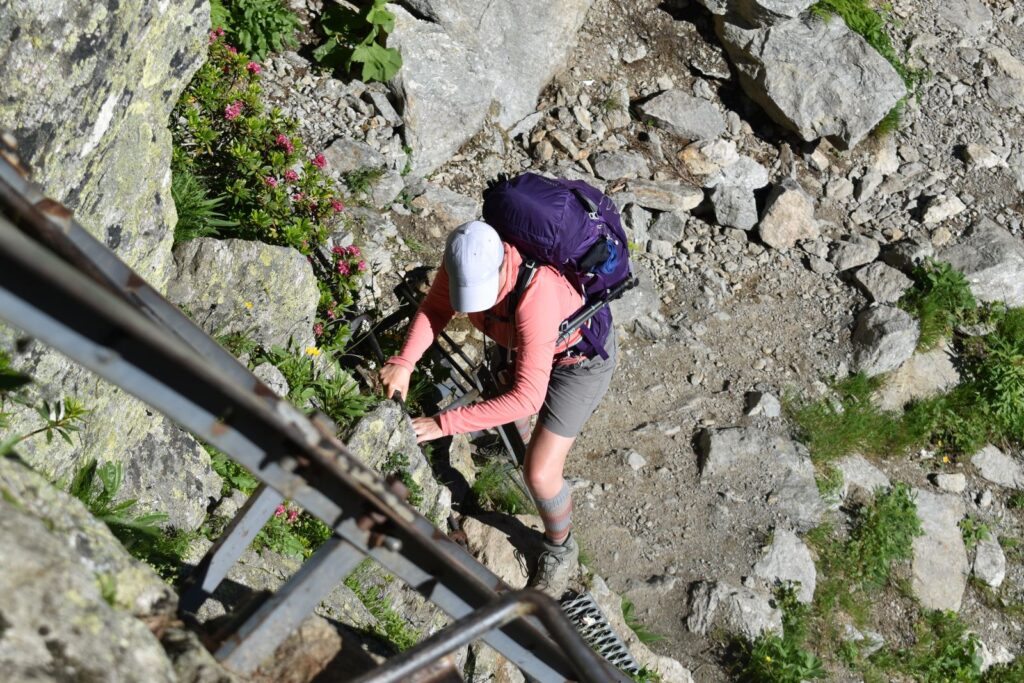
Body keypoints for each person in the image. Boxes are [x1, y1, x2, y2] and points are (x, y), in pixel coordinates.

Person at [380, 220, 618, 598]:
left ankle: (561, 548)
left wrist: (446, 423)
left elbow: (527, 397)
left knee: (540, 472)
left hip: (579, 362)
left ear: (502, 269)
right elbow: (436, 309)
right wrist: (405, 361)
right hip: (524, 346)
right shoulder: (464, 258)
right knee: (508, 408)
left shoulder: (535, 294)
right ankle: (517, 451)